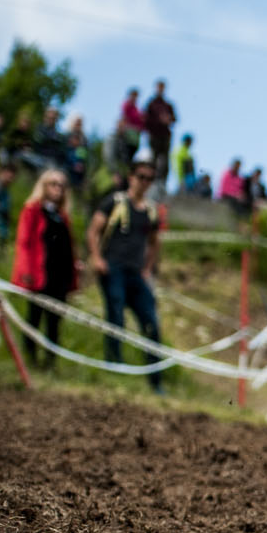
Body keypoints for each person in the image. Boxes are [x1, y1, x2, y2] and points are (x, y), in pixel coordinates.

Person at [88, 157, 167, 394]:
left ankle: (156, 381)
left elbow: (154, 243)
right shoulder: (114, 201)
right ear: (131, 177)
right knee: (116, 315)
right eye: (141, 177)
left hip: (136, 273)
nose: (145, 182)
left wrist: (147, 268)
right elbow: (93, 231)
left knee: (151, 322)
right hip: (113, 268)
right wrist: (97, 258)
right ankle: (114, 367)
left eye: (150, 179)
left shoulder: (152, 211)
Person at [10, 169, 78, 369]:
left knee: (55, 322)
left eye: (61, 185)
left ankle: (50, 363)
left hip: (60, 277)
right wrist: (26, 271)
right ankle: (30, 361)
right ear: (44, 186)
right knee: (34, 318)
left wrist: (74, 272)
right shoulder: (32, 210)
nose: (58, 189)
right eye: (53, 184)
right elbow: (24, 243)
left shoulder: (62, 216)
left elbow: (68, 246)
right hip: (40, 275)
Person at [144, 79, 177, 177]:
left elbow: (175, 119)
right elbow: (146, 119)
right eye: (159, 87)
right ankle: (151, 180)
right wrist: (159, 120)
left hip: (165, 136)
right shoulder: (151, 104)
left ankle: (162, 182)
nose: (161, 89)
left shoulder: (168, 105)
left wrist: (169, 119)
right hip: (154, 135)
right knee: (153, 159)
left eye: (162, 88)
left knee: (165, 161)